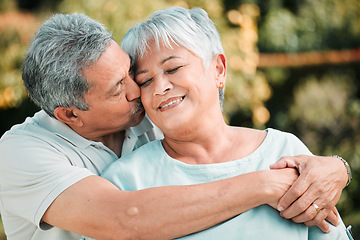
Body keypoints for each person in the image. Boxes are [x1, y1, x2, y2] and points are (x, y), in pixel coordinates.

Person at [0, 12, 350, 240]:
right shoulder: (20, 155)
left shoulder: (141, 120)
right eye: (122, 86)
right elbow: (128, 218)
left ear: (219, 69)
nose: (143, 91)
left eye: (129, 73)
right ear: (70, 115)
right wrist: (266, 183)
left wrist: (338, 167)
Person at [102, 6, 353, 239]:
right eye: (145, 81)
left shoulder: (284, 151)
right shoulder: (125, 180)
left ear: (219, 70)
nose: (160, 87)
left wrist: (342, 168)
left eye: (173, 68)